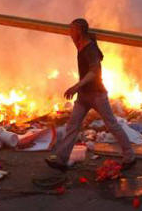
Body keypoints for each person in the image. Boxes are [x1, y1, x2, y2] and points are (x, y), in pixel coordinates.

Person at [46, 18, 135, 171]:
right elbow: (84, 39)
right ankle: (61, 160)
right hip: (83, 96)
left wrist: (76, 86)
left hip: (96, 95)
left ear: (80, 31)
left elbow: (94, 72)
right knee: (72, 126)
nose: (69, 33)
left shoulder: (90, 49)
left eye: (72, 30)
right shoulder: (80, 44)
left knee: (112, 125)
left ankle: (130, 156)